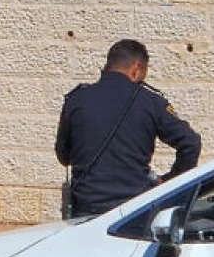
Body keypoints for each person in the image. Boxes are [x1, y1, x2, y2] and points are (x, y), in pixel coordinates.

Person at [56, 39, 201, 218]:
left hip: (85, 211)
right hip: (133, 214)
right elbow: (191, 143)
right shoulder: (151, 102)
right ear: (136, 69)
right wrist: (169, 183)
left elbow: (63, 157)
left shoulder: (76, 99)